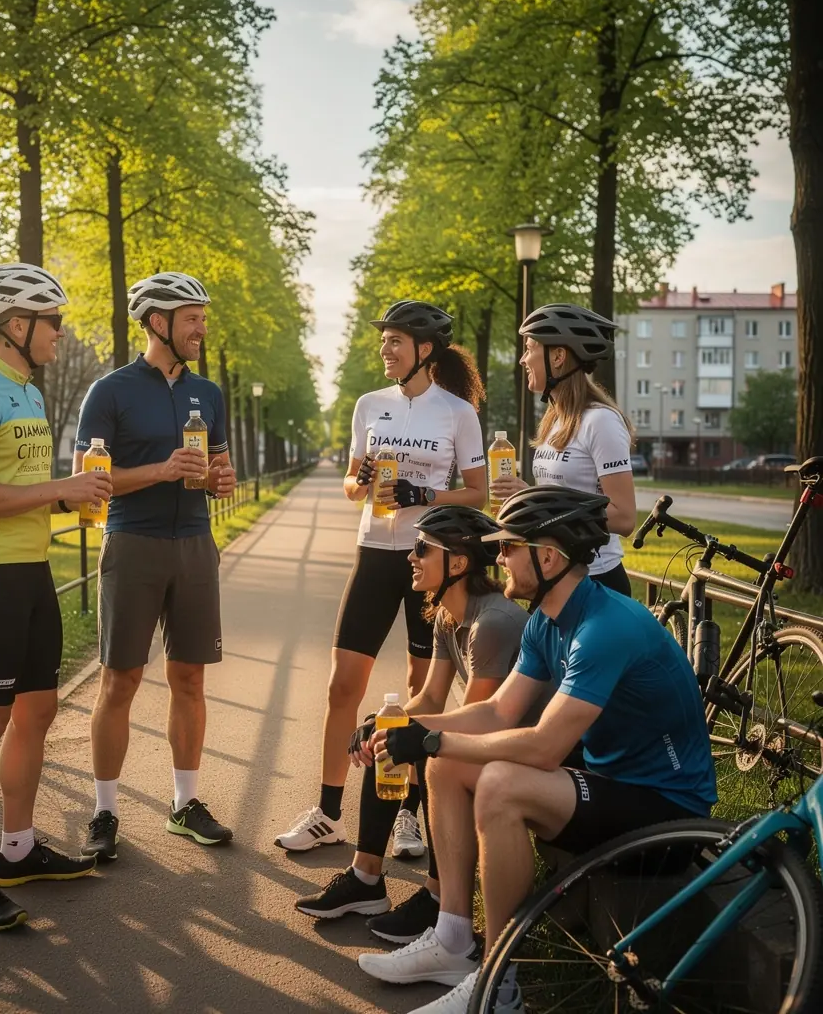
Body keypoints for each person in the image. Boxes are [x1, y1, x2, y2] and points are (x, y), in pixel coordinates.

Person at [357, 486, 717, 1013]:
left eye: (507, 547)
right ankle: (454, 939)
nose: (496, 555)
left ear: (548, 556)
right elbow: (497, 712)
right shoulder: (548, 619)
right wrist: (401, 725)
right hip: (612, 782)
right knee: (448, 760)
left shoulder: (603, 628)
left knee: (500, 784)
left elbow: (546, 747)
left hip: (667, 810)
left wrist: (431, 736)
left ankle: (500, 985)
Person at [275, 300, 489, 854]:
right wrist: (361, 481)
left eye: (395, 341)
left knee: (423, 691)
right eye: (383, 341)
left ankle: (410, 816)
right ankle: (328, 813)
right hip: (373, 550)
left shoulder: (458, 413)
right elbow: (350, 484)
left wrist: (425, 495)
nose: (385, 350)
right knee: (342, 682)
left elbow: (478, 492)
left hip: (429, 560)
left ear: (425, 350)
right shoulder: (369, 405)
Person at [0, 263, 113, 932]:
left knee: (36, 711)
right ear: (17, 326)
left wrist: (65, 498)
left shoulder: (30, 395)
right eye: (53, 323)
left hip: (31, 569)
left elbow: (22, 489)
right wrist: (56, 491)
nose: (61, 335)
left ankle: (16, 850)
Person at [293, 506, 528, 948]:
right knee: (386, 732)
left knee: (420, 749)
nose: (410, 557)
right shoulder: (446, 613)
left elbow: (476, 718)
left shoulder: (493, 623)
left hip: (523, 746)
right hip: (492, 735)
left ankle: (439, 897)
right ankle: (366, 879)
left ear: (457, 564)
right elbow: (431, 698)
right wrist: (383, 723)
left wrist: (403, 731)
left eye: (423, 548)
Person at [73, 271, 237, 860]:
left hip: (195, 544)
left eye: (202, 317)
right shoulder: (109, 391)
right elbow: (89, 482)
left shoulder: (210, 393)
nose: (201, 327)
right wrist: (160, 471)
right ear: (158, 322)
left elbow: (221, 472)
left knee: (190, 679)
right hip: (132, 543)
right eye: (192, 317)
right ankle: (105, 811)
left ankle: (184, 804)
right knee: (121, 681)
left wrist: (221, 480)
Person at [491, 304, 636, 597]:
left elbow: (624, 518)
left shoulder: (601, 421)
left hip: (595, 579)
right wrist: (527, 496)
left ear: (558, 356)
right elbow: (563, 494)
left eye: (530, 348)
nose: (522, 359)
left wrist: (541, 505)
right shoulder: (555, 420)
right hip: (555, 577)